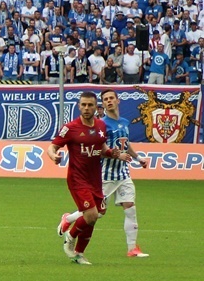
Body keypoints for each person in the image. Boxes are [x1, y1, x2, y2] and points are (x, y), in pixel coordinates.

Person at [59, 90, 150, 258]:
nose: (109, 101)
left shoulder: (124, 122)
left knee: (130, 208)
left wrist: (138, 158)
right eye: (105, 99)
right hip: (105, 175)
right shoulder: (101, 124)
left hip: (123, 173)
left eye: (111, 98)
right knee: (96, 213)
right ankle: (69, 218)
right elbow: (97, 148)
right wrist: (115, 155)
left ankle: (132, 248)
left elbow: (125, 144)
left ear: (118, 100)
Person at [48, 91, 129, 265]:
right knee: (91, 215)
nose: (86, 108)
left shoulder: (101, 125)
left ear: (95, 107)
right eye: (83, 105)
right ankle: (70, 238)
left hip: (95, 179)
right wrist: (54, 156)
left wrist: (112, 153)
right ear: (79, 106)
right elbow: (52, 146)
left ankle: (79, 253)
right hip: (77, 179)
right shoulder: (70, 128)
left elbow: (102, 149)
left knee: (96, 215)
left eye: (90, 105)